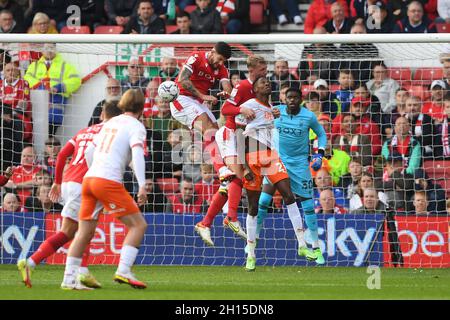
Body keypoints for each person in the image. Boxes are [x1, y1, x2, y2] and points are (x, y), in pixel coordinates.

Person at [17, 101, 123, 289]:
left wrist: (57, 182)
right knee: (76, 231)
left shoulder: (84, 131)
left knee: (81, 230)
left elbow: (62, 155)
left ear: (101, 115)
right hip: (85, 183)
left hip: (69, 181)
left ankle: (75, 271)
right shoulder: (111, 133)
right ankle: (68, 272)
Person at [60, 89, 148, 290]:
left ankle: (68, 279)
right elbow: (137, 154)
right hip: (106, 180)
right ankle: (124, 270)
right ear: (142, 108)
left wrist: (94, 170)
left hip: (89, 179)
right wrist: (142, 184)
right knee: (138, 226)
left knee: (84, 232)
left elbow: (91, 150)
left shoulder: (109, 123)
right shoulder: (137, 126)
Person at [239, 77, 320, 271]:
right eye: (262, 83)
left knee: (289, 195)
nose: (267, 84)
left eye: (268, 82)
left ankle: (302, 245)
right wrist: (245, 167)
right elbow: (238, 135)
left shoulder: (273, 108)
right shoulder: (248, 106)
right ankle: (251, 254)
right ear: (254, 88)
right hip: (252, 159)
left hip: (271, 157)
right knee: (253, 207)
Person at [194, 55, 267, 246]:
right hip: (229, 135)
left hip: (242, 138)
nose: (266, 71)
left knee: (230, 183)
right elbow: (226, 109)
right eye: (262, 68)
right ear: (252, 70)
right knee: (238, 176)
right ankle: (231, 217)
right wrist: (241, 110)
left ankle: (205, 222)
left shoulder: (260, 89)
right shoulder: (243, 86)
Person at [254, 87, 328, 265]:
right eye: (289, 97)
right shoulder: (276, 112)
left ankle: (316, 248)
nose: (292, 100)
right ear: (285, 99)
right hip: (277, 162)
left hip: (300, 164)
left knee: (308, 205)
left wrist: (320, 153)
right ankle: (253, 238)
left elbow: (321, 134)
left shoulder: (308, 116)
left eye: (295, 97)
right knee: (263, 200)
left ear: (300, 99)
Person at [170, 42, 233, 186]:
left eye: (224, 61)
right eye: (220, 58)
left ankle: (223, 175)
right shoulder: (196, 57)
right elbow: (182, 79)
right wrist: (202, 96)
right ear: (212, 51)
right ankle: (222, 170)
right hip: (181, 99)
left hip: (197, 102)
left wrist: (227, 94)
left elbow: (227, 86)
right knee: (209, 131)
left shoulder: (222, 69)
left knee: (218, 135)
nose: (221, 63)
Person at [24, 43, 81, 137]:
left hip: (55, 109)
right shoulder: (34, 65)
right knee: (34, 137)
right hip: (37, 107)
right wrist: (41, 87)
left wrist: (58, 88)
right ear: (41, 50)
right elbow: (27, 78)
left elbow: (76, 81)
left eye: (52, 48)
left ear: (56, 49)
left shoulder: (65, 65)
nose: (49, 50)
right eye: (46, 48)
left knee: (49, 139)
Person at [0, 61, 32, 142]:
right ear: (3, 72)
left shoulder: (23, 83)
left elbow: (22, 104)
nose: (11, 72)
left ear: (17, 71)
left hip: (18, 117)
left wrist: (9, 115)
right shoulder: (0, 84)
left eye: (13, 70)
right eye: (8, 70)